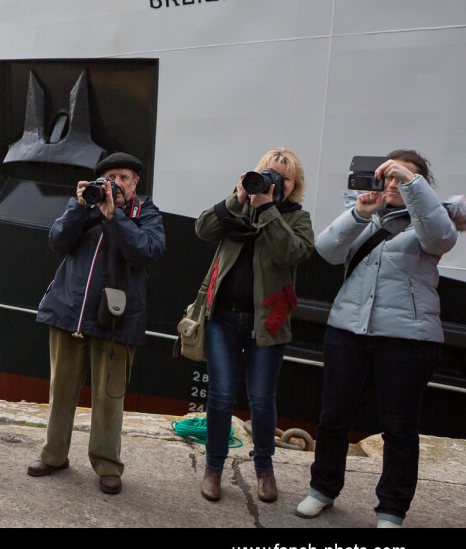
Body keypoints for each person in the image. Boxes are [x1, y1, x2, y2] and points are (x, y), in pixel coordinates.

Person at [296, 151, 457, 528]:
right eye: (388, 176)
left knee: (399, 427)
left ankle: (392, 509)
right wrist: (359, 215)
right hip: (348, 331)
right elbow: (327, 251)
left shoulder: (431, 219)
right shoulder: (362, 212)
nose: (393, 184)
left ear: (419, 184)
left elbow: (440, 238)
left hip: (407, 339)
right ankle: (323, 489)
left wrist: (411, 182)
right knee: (334, 417)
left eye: (402, 178)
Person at [27, 152, 165, 494]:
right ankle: (54, 455)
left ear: (135, 184)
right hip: (69, 312)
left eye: (124, 177)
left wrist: (114, 217)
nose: (116, 183)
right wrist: (79, 207)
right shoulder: (85, 206)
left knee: (108, 396)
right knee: (61, 391)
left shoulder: (146, 214)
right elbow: (58, 241)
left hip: (116, 320)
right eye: (110, 177)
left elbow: (146, 252)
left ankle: (107, 465)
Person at [193, 148, 314, 503]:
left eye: (284, 177)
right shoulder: (238, 207)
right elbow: (203, 228)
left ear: (295, 186)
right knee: (221, 396)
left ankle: (264, 469)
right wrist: (239, 198)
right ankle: (213, 469)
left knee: (262, 399)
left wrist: (268, 209)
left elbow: (293, 253)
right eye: (268, 173)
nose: (275, 181)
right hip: (223, 318)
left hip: (268, 321)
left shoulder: (296, 218)